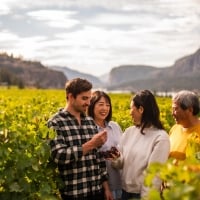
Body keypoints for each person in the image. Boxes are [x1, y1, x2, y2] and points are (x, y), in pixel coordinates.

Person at [47, 78, 113, 200]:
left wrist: (106, 187)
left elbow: (98, 158)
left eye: (89, 98)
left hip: (97, 192)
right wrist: (91, 144)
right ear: (71, 97)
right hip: (74, 194)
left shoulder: (89, 121)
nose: (88, 103)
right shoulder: (55, 123)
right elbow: (59, 155)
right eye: (84, 98)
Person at [111, 90, 170, 200]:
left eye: (131, 108)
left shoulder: (160, 138)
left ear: (141, 109)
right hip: (124, 193)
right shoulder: (129, 132)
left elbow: (154, 176)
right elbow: (120, 164)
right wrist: (116, 159)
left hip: (141, 196)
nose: (129, 113)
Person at [87, 90, 122, 200]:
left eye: (107, 105)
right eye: (101, 104)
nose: (105, 108)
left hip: (120, 181)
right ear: (92, 106)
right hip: (100, 187)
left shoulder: (115, 126)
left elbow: (123, 149)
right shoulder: (88, 129)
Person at [169, 90, 200, 161]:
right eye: (172, 109)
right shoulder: (174, 129)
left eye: (175, 109)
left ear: (190, 110)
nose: (172, 113)